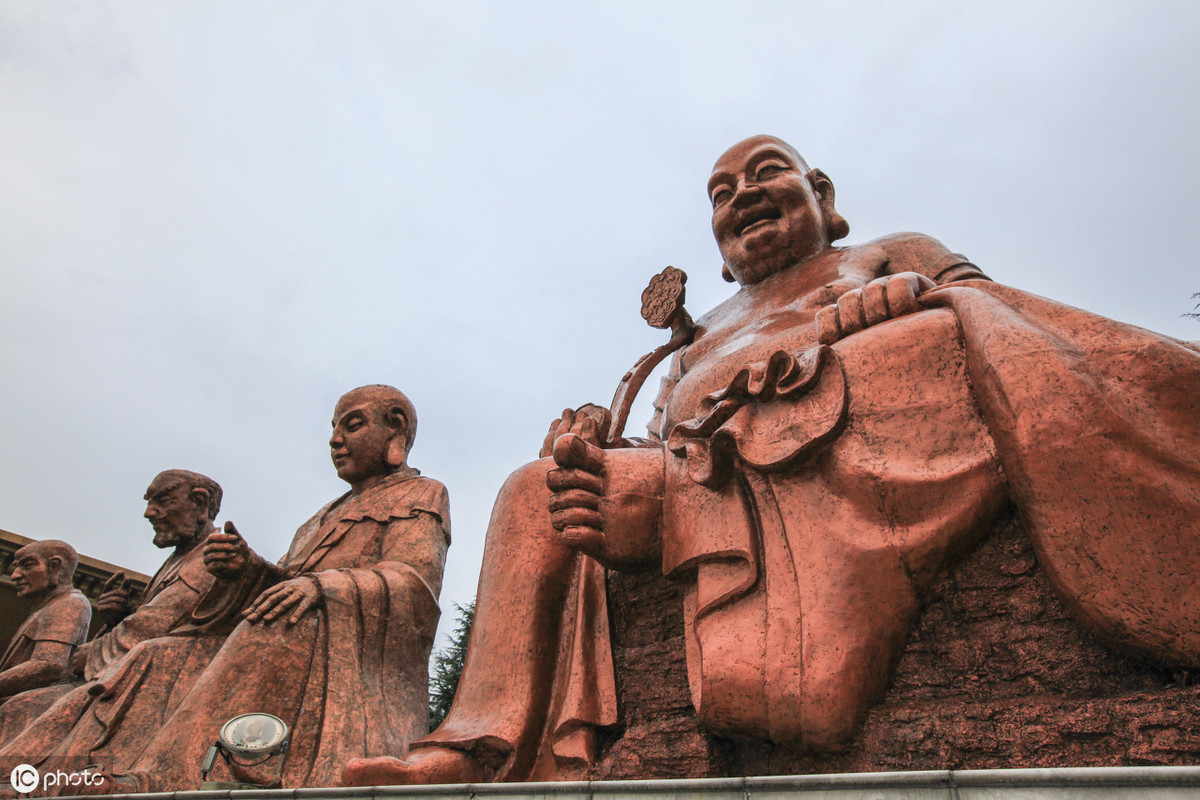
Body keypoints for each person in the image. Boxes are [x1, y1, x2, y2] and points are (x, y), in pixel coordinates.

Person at [343, 135, 1200, 786]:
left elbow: (997, 314)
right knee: (535, 490)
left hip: (839, 428)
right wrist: (597, 457)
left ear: (823, 197)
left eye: (766, 173)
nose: (743, 195)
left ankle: (690, 513)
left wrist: (908, 300)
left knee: (933, 342)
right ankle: (474, 744)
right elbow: (661, 434)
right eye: (722, 192)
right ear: (717, 244)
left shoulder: (885, 250)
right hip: (700, 459)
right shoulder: (706, 333)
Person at [101, 385, 449, 791]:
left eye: (352, 426)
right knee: (159, 655)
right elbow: (283, 584)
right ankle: (129, 767)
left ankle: (179, 773)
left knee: (276, 624)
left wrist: (324, 588)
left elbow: (414, 583)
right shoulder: (318, 519)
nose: (335, 440)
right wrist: (246, 569)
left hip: (341, 651)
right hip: (292, 625)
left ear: (396, 428)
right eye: (334, 428)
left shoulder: (423, 494)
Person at [0, 470, 226, 768]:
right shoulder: (179, 557)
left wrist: (93, 650)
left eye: (163, 501)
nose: (149, 513)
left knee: (25, 707)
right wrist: (116, 617)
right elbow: (144, 622)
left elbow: (152, 627)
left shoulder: (212, 556)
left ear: (199, 502)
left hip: (163, 683)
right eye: (149, 502)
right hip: (131, 671)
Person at [0, 540, 91, 742]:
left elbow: (49, 665)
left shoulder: (70, 603)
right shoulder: (45, 608)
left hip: (29, 709)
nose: (15, 575)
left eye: (27, 565)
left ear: (54, 566)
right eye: (16, 568)